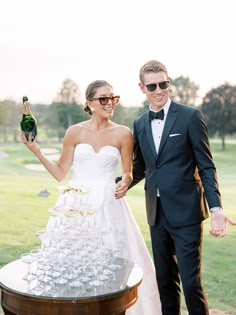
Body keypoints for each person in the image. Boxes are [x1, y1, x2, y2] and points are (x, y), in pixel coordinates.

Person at [21, 80, 162, 314]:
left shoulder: (123, 133)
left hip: (108, 204)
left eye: (113, 98)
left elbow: (127, 172)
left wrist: (125, 183)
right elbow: (60, 173)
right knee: (71, 266)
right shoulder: (74, 131)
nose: (110, 103)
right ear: (90, 103)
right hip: (74, 205)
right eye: (103, 98)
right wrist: (35, 149)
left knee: (111, 267)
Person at [129, 59, 236, 315]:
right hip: (156, 214)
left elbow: (206, 166)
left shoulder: (190, 116)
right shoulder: (140, 123)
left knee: (191, 284)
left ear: (169, 83)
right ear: (142, 88)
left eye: (163, 84)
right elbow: (140, 168)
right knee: (165, 284)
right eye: (152, 86)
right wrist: (115, 185)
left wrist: (217, 207)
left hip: (187, 213)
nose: (158, 90)